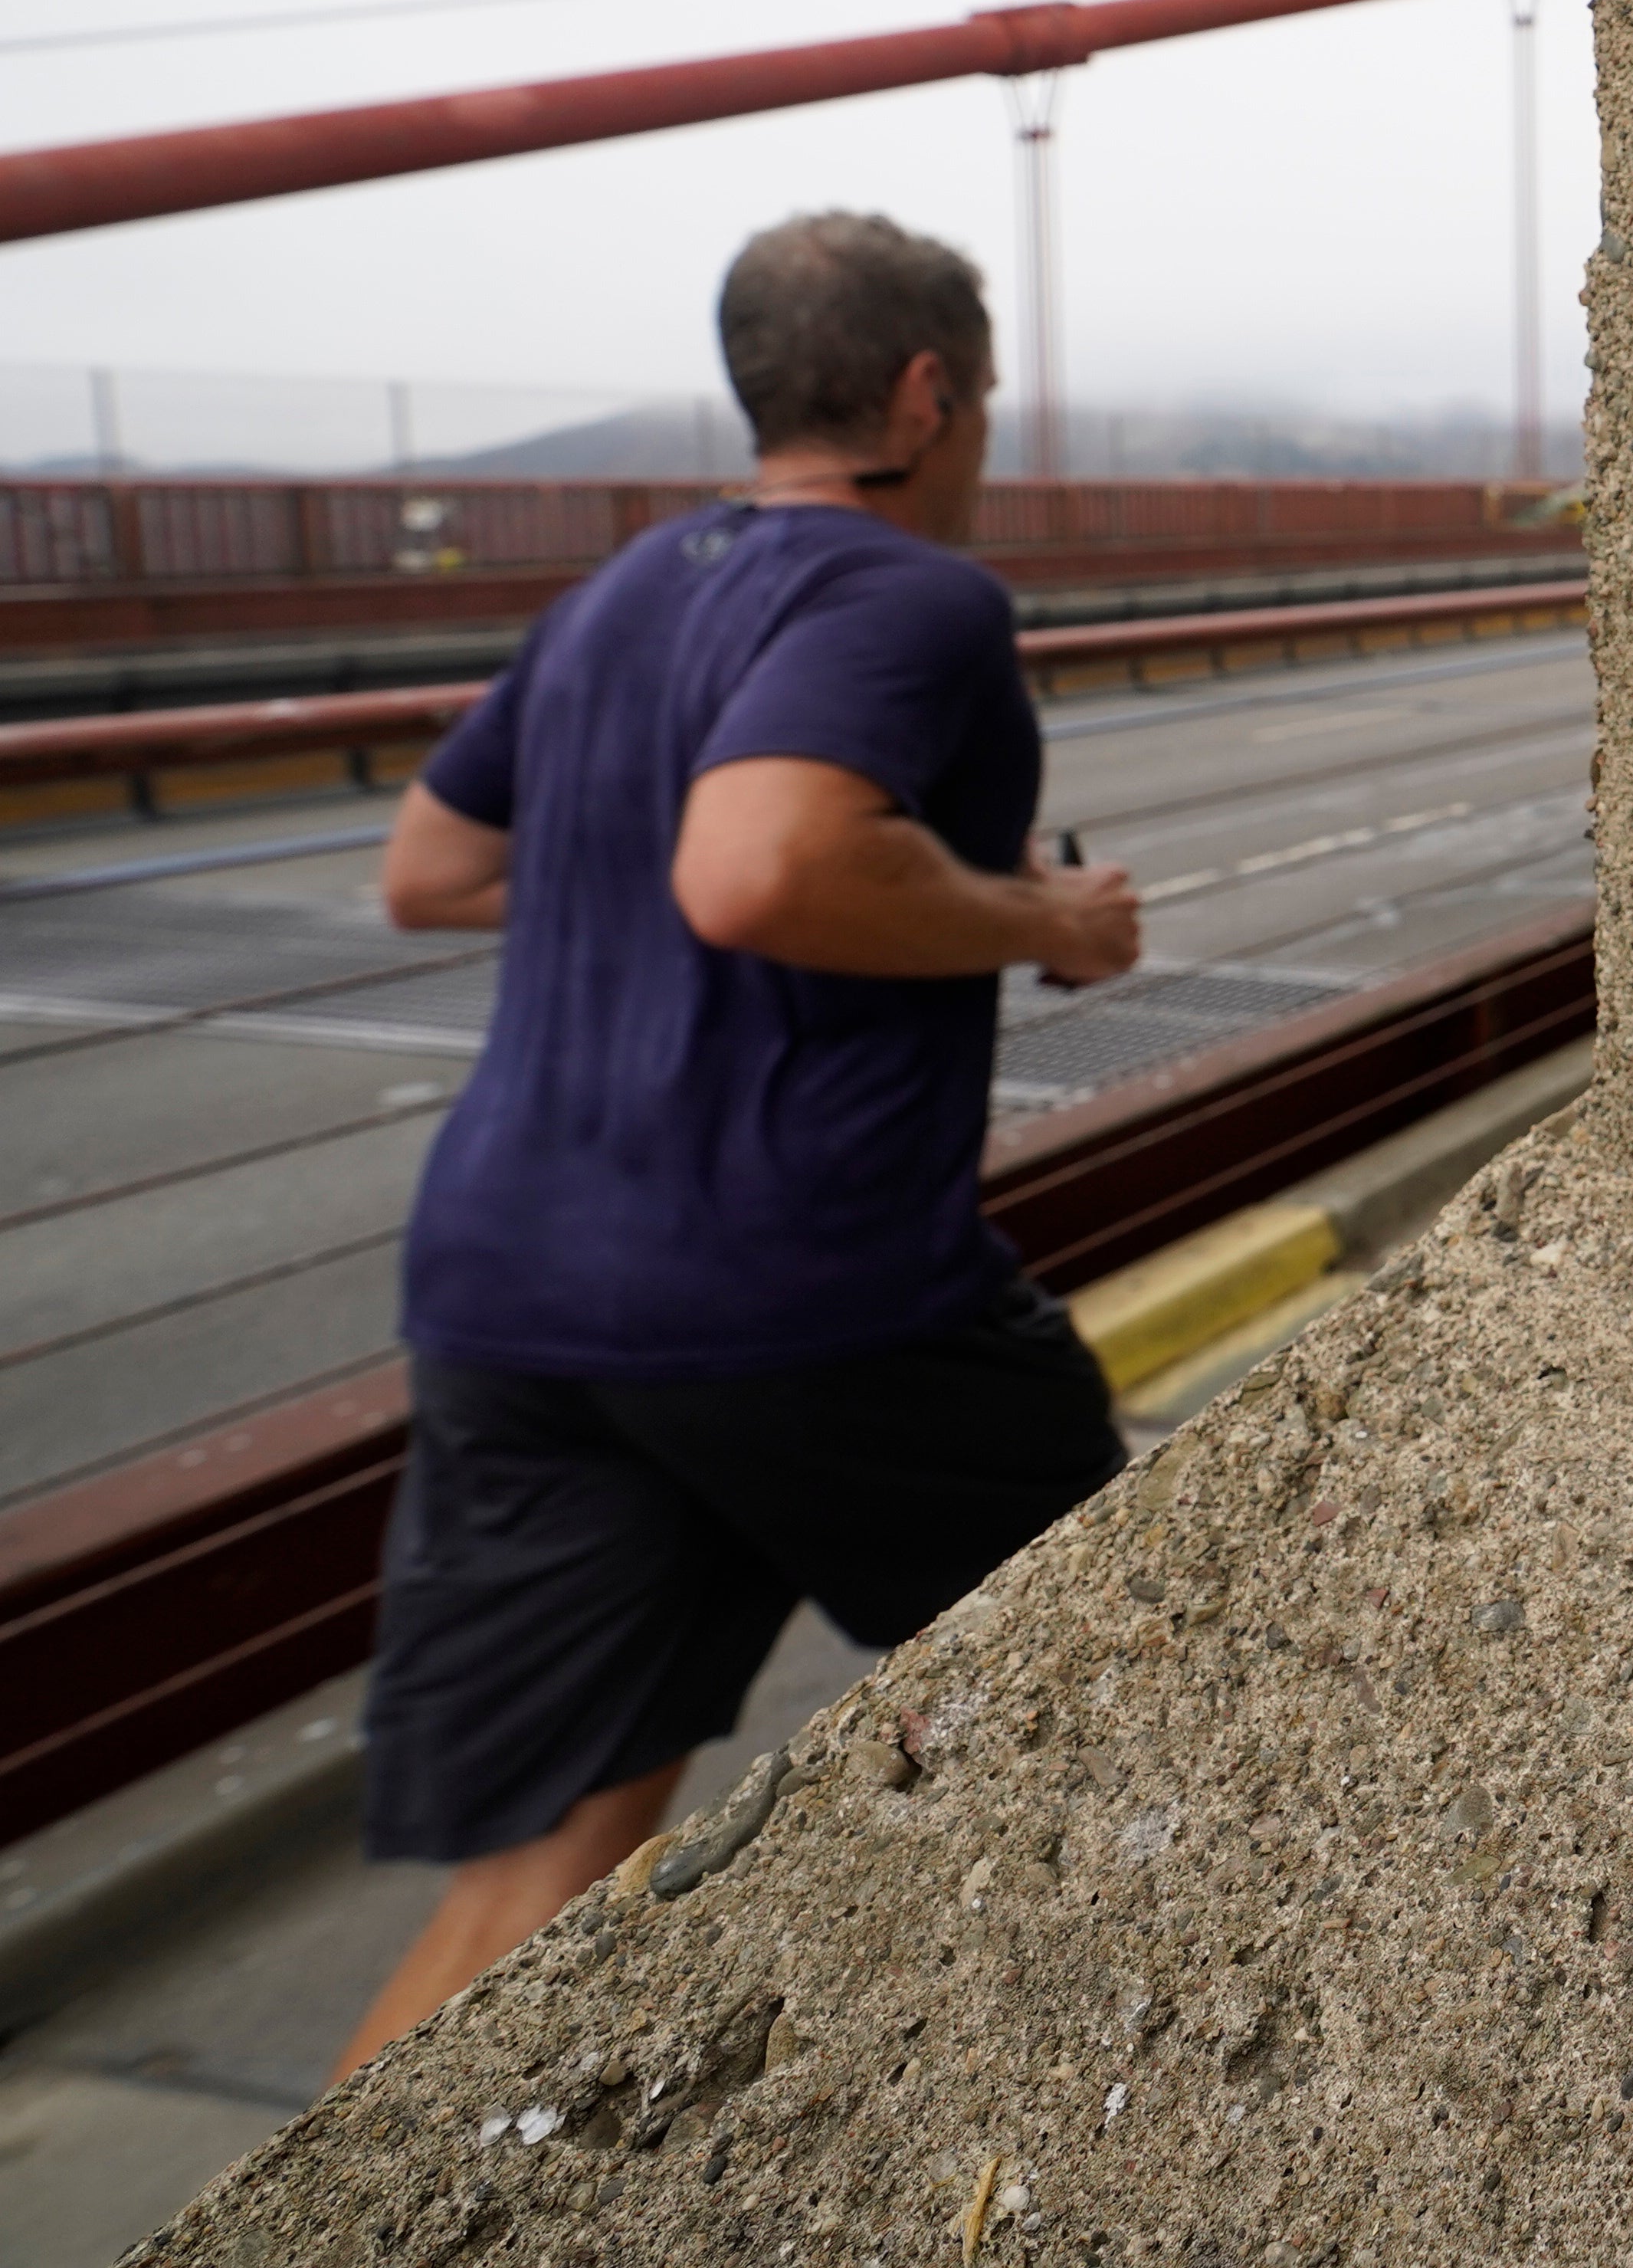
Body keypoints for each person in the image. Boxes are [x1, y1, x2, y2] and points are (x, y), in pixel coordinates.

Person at [335, 210, 1142, 2079]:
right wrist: (1045, 922)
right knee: (1149, 1662)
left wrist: (691, 868)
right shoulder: (914, 596)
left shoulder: (615, 594)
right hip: (806, 1293)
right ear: (929, 391)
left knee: (539, 1869)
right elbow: (759, 862)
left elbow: (429, 868)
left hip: (510, 1302)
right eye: (988, 397)